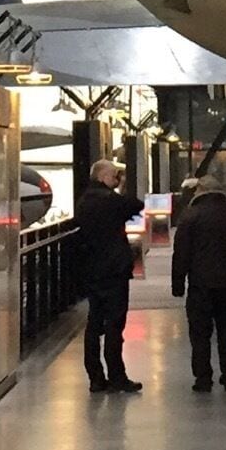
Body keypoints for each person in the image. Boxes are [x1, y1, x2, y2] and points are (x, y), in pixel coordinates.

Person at [170, 170, 226, 393]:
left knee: (200, 334)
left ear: (201, 191)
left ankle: (203, 378)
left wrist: (178, 284)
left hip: (200, 286)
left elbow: (181, 254)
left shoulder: (190, 217)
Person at [74, 159, 144, 394]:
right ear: (104, 176)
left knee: (94, 323)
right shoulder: (111, 201)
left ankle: (95, 377)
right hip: (114, 270)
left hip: (92, 269)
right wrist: (123, 185)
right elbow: (136, 205)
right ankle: (117, 376)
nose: (117, 179)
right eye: (115, 176)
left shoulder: (84, 201)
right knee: (115, 324)